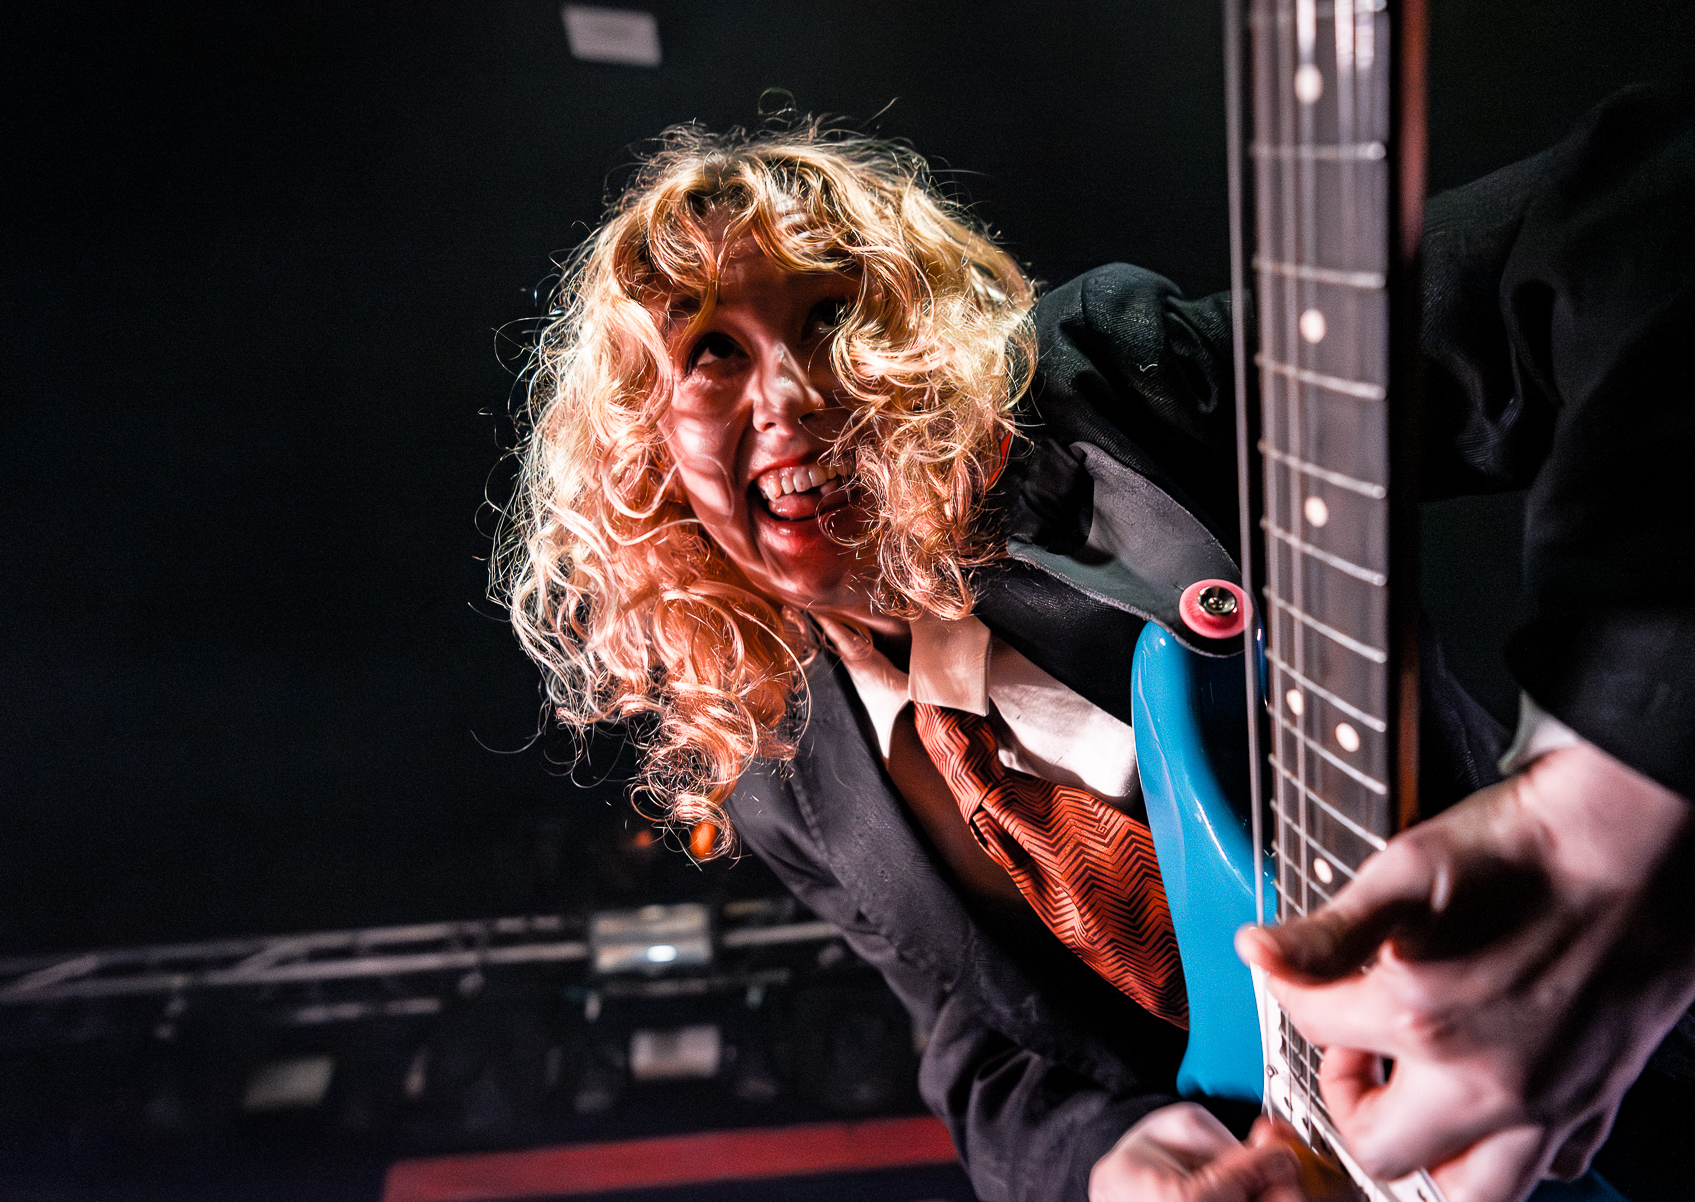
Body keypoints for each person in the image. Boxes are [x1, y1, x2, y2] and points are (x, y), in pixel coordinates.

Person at [498, 89, 1693, 1202]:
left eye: (833, 312)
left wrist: (1613, 795)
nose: (793, 395)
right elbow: (978, 1037)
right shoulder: (782, 769)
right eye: (711, 348)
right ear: (643, 440)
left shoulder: (1120, 391)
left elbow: (1632, 217)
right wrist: (1107, 1156)